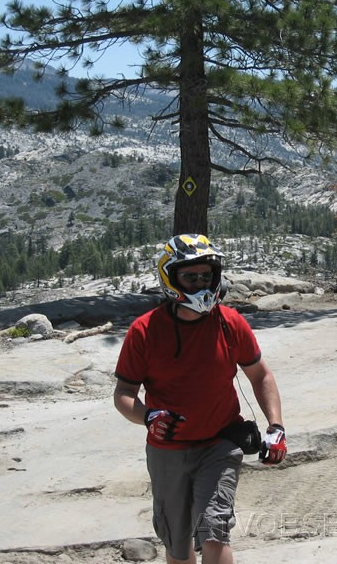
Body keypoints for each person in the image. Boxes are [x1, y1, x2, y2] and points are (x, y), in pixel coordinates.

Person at [114, 233, 286, 564]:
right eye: (190, 277)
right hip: (168, 451)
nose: (200, 283)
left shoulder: (229, 322)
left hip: (220, 444)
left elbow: (261, 374)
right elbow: (123, 394)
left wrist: (275, 426)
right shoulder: (145, 331)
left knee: (214, 532)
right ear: (171, 278)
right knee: (178, 546)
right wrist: (147, 417)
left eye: (206, 276)